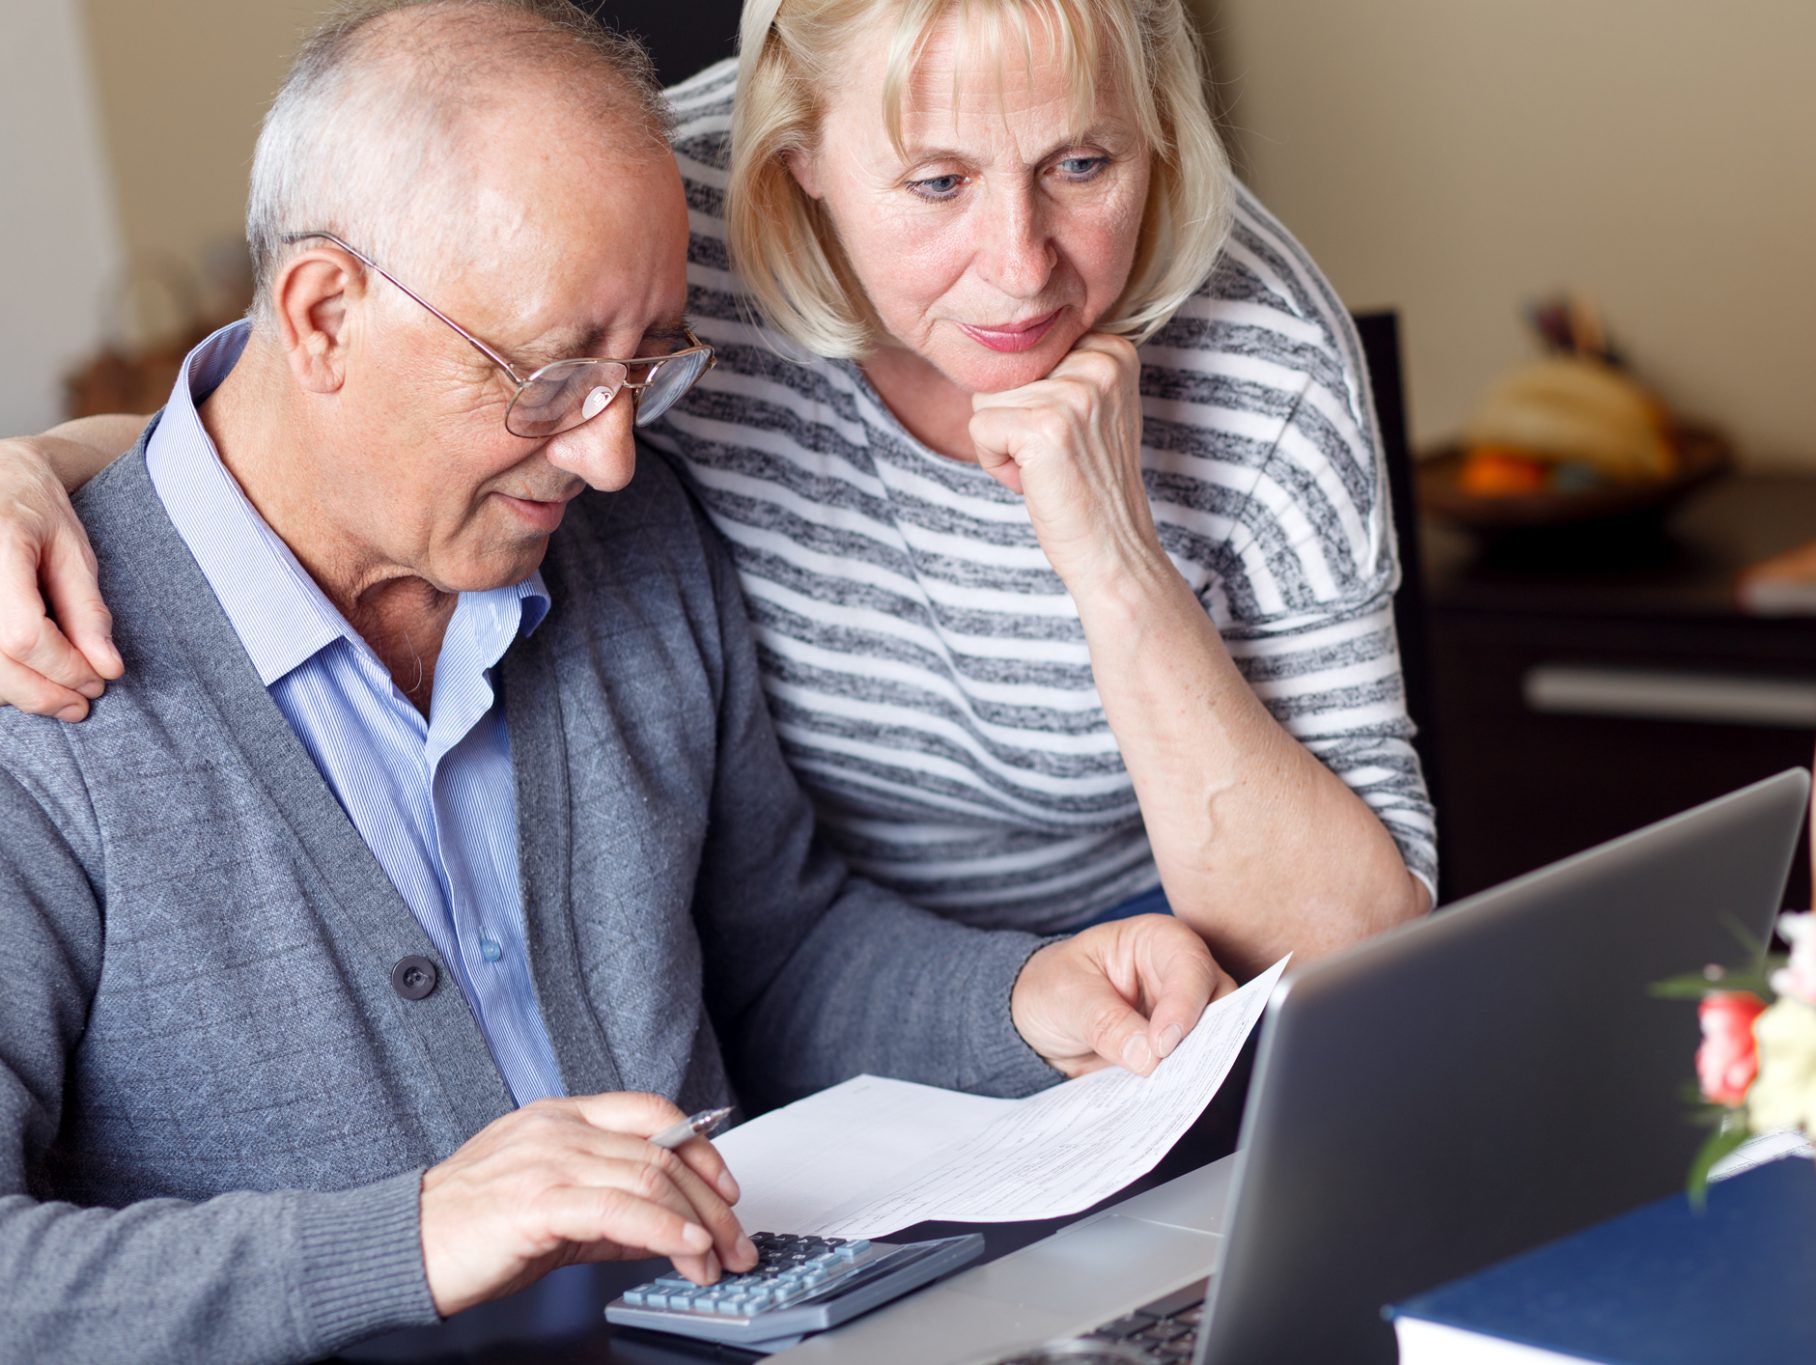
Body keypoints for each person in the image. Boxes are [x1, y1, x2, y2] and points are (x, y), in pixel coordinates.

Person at [0, 5, 1229, 1359]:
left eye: (643, 365)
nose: (610, 457)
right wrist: (413, 1233)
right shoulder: (37, 668)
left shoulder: (632, 549)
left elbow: (776, 954)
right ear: (323, 314)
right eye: (549, 375)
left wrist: (1023, 1002)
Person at [0, 0, 1435, 978]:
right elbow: (344, 370)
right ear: (793, 147)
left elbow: (1371, 959)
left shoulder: (1257, 357)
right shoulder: (665, 216)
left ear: (1161, 135)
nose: (1023, 260)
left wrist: (1116, 567)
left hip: (1158, 954)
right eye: (934, 182)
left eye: (1083, 162)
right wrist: (50, 463)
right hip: (784, 952)